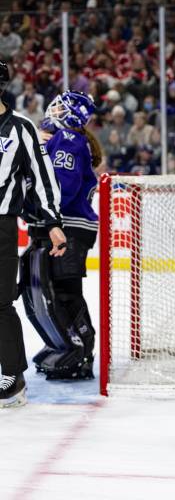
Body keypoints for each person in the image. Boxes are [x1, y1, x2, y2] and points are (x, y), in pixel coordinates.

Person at [21, 91, 102, 381]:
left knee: (66, 293)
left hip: (71, 226)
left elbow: (61, 190)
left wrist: (34, 206)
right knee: (48, 291)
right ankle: (64, 344)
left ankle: (81, 350)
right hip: (62, 225)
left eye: (58, 105)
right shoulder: (62, 140)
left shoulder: (69, 140)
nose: (51, 109)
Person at [0, 61, 67, 407]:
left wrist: (52, 222)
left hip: (2, 226)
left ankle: (13, 378)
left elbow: (41, 179)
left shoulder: (21, 129)